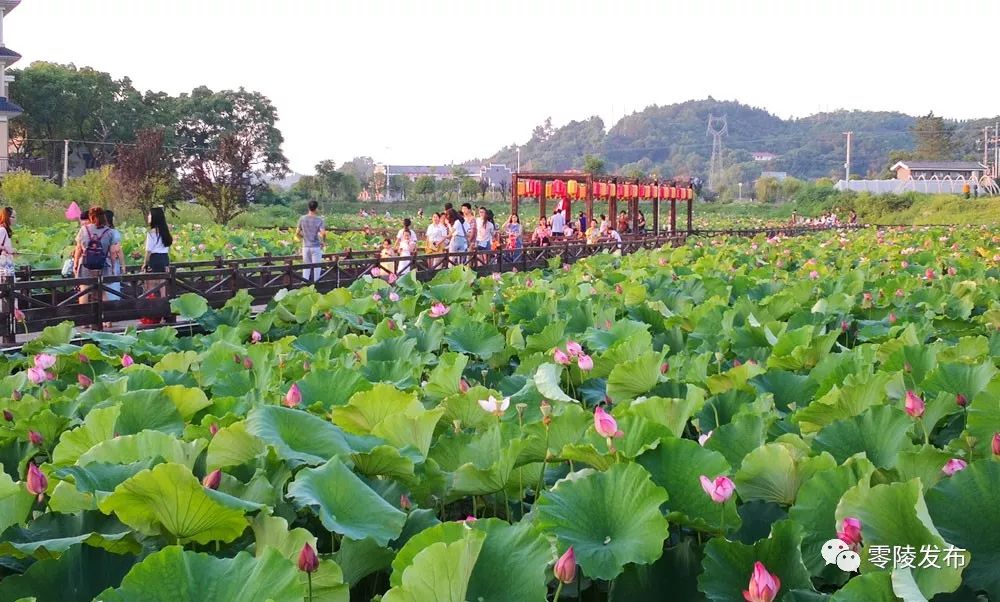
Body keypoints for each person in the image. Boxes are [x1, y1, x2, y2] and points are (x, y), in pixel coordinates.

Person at [73, 207, 115, 306]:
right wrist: (113, 267)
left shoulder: (84, 229)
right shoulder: (109, 232)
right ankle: (106, 319)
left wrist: (75, 264)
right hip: (102, 264)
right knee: (103, 291)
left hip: (86, 264)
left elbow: (78, 249)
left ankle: (85, 318)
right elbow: (112, 252)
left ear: (91, 217)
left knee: (84, 290)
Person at [141, 207, 173, 299]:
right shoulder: (166, 232)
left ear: (154, 217)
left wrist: (145, 264)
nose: (148, 216)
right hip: (164, 259)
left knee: (151, 287)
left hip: (154, 259)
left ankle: (152, 308)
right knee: (162, 285)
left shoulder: (151, 233)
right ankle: (163, 305)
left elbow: (148, 251)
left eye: (150, 214)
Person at [296, 200, 326, 282]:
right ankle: (316, 286)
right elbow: (323, 233)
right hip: (316, 247)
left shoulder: (302, 218)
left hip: (305, 246)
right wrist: (323, 242)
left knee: (306, 267)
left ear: (308, 208)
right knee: (317, 268)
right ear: (316, 209)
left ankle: (304, 284)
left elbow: (297, 232)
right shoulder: (319, 220)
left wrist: (304, 236)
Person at [104, 209, 126, 305]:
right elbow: (118, 250)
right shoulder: (114, 232)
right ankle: (114, 307)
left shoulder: (98, 231)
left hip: (101, 263)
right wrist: (123, 265)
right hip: (112, 263)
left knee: (103, 287)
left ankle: (105, 308)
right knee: (113, 285)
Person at [0, 208, 16, 312]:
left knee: (10, 290)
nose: (15, 219)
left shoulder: (5, 230)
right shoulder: (2, 230)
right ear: (7, 217)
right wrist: (7, 249)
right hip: (4, 266)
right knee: (7, 290)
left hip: (8, 265)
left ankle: (11, 315)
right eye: (13, 217)